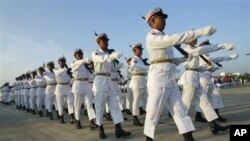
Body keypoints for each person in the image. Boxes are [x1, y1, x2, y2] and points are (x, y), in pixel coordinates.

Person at [143, 7, 218, 141]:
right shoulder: (152, 37)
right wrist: (199, 32)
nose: (165, 21)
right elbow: (175, 39)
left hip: (170, 80)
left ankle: (189, 138)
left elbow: (168, 60)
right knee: (153, 114)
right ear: (153, 20)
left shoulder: (163, 38)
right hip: (158, 81)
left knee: (181, 112)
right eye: (161, 18)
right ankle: (148, 139)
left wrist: (183, 59)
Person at [179, 38, 233, 135]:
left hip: (195, 76)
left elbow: (198, 67)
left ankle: (213, 125)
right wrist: (222, 46)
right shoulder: (187, 49)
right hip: (189, 78)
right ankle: (182, 126)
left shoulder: (194, 49)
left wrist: (209, 67)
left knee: (205, 102)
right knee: (185, 104)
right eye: (193, 38)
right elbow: (195, 59)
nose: (195, 39)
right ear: (186, 41)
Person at [91, 33, 131, 139]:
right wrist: (113, 56)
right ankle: (101, 129)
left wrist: (117, 67)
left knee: (115, 107)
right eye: (104, 41)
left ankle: (118, 130)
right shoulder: (96, 53)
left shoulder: (107, 55)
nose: (106, 43)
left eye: (107, 41)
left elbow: (111, 70)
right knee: (99, 107)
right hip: (100, 83)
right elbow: (102, 59)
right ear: (99, 42)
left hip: (109, 82)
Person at [195, 39, 239, 122]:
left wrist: (217, 67)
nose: (208, 47)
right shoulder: (200, 53)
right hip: (202, 77)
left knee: (216, 94)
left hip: (208, 76)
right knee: (202, 97)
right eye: (207, 46)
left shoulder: (206, 54)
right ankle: (198, 115)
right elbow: (213, 60)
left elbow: (210, 66)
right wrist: (228, 57)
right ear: (202, 46)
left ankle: (216, 114)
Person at [71, 49, 98, 129]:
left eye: (81, 54)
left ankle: (92, 122)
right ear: (75, 56)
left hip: (86, 85)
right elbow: (77, 64)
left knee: (89, 104)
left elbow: (90, 77)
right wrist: (85, 60)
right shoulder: (74, 63)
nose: (80, 55)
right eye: (78, 54)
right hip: (78, 85)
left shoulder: (85, 66)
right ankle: (78, 121)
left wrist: (91, 68)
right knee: (77, 105)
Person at [129, 43, 149, 126]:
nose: (141, 51)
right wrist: (148, 67)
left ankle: (149, 114)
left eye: (141, 50)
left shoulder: (140, 59)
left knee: (150, 97)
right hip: (136, 81)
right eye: (139, 50)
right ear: (135, 50)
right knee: (136, 100)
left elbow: (144, 69)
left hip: (142, 81)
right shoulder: (134, 59)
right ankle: (135, 118)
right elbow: (135, 66)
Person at [54, 56, 75, 124]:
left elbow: (71, 79)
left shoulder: (67, 70)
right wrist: (66, 69)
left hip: (67, 87)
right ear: (58, 63)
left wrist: (71, 75)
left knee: (70, 102)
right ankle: (61, 117)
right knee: (60, 104)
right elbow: (57, 73)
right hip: (59, 87)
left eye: (63, 62)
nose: (62, 63)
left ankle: (72, 117)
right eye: (61, 62)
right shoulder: (56, 69)